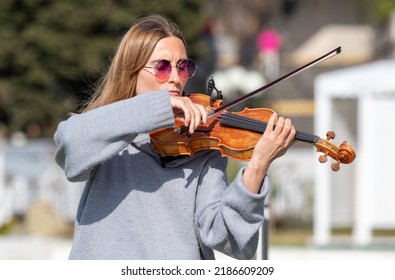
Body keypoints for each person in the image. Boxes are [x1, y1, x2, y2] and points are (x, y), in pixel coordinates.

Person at [54, 14, 295, 260]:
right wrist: (157, 108)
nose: (175, 77)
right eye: (162, 66)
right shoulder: (108, 130)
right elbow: (69, 145)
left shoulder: (201, 142)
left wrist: (257, 166)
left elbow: (230, 240)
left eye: (183, 67)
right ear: (132, 71)